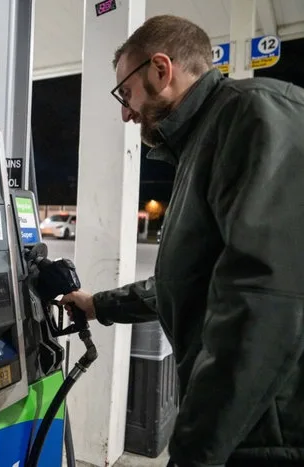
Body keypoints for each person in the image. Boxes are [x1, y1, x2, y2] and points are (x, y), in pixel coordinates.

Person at [62, 14, 304, 467]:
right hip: (250, 426)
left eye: (125, 93)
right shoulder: (205, 140)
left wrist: (195, 451)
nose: (125, 111)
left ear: (160, 69)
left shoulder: (252, 115)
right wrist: (99, 305)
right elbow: (191, 280)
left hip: (271, 433)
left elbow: (263, 300)